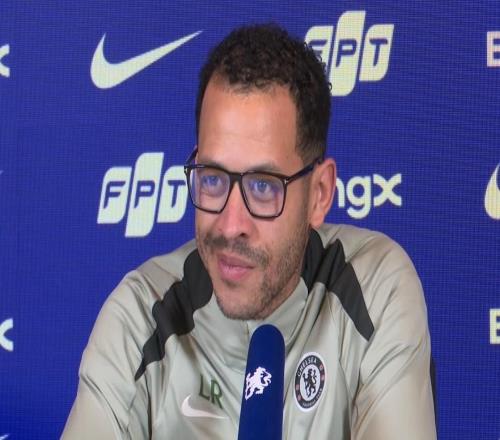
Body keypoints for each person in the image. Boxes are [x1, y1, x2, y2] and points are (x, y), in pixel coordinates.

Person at [63, 24, 436, 439]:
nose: (231, 225)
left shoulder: (374, 287)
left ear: (319, 194)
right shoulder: (139, 316)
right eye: (212, 178)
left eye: (263, 187)